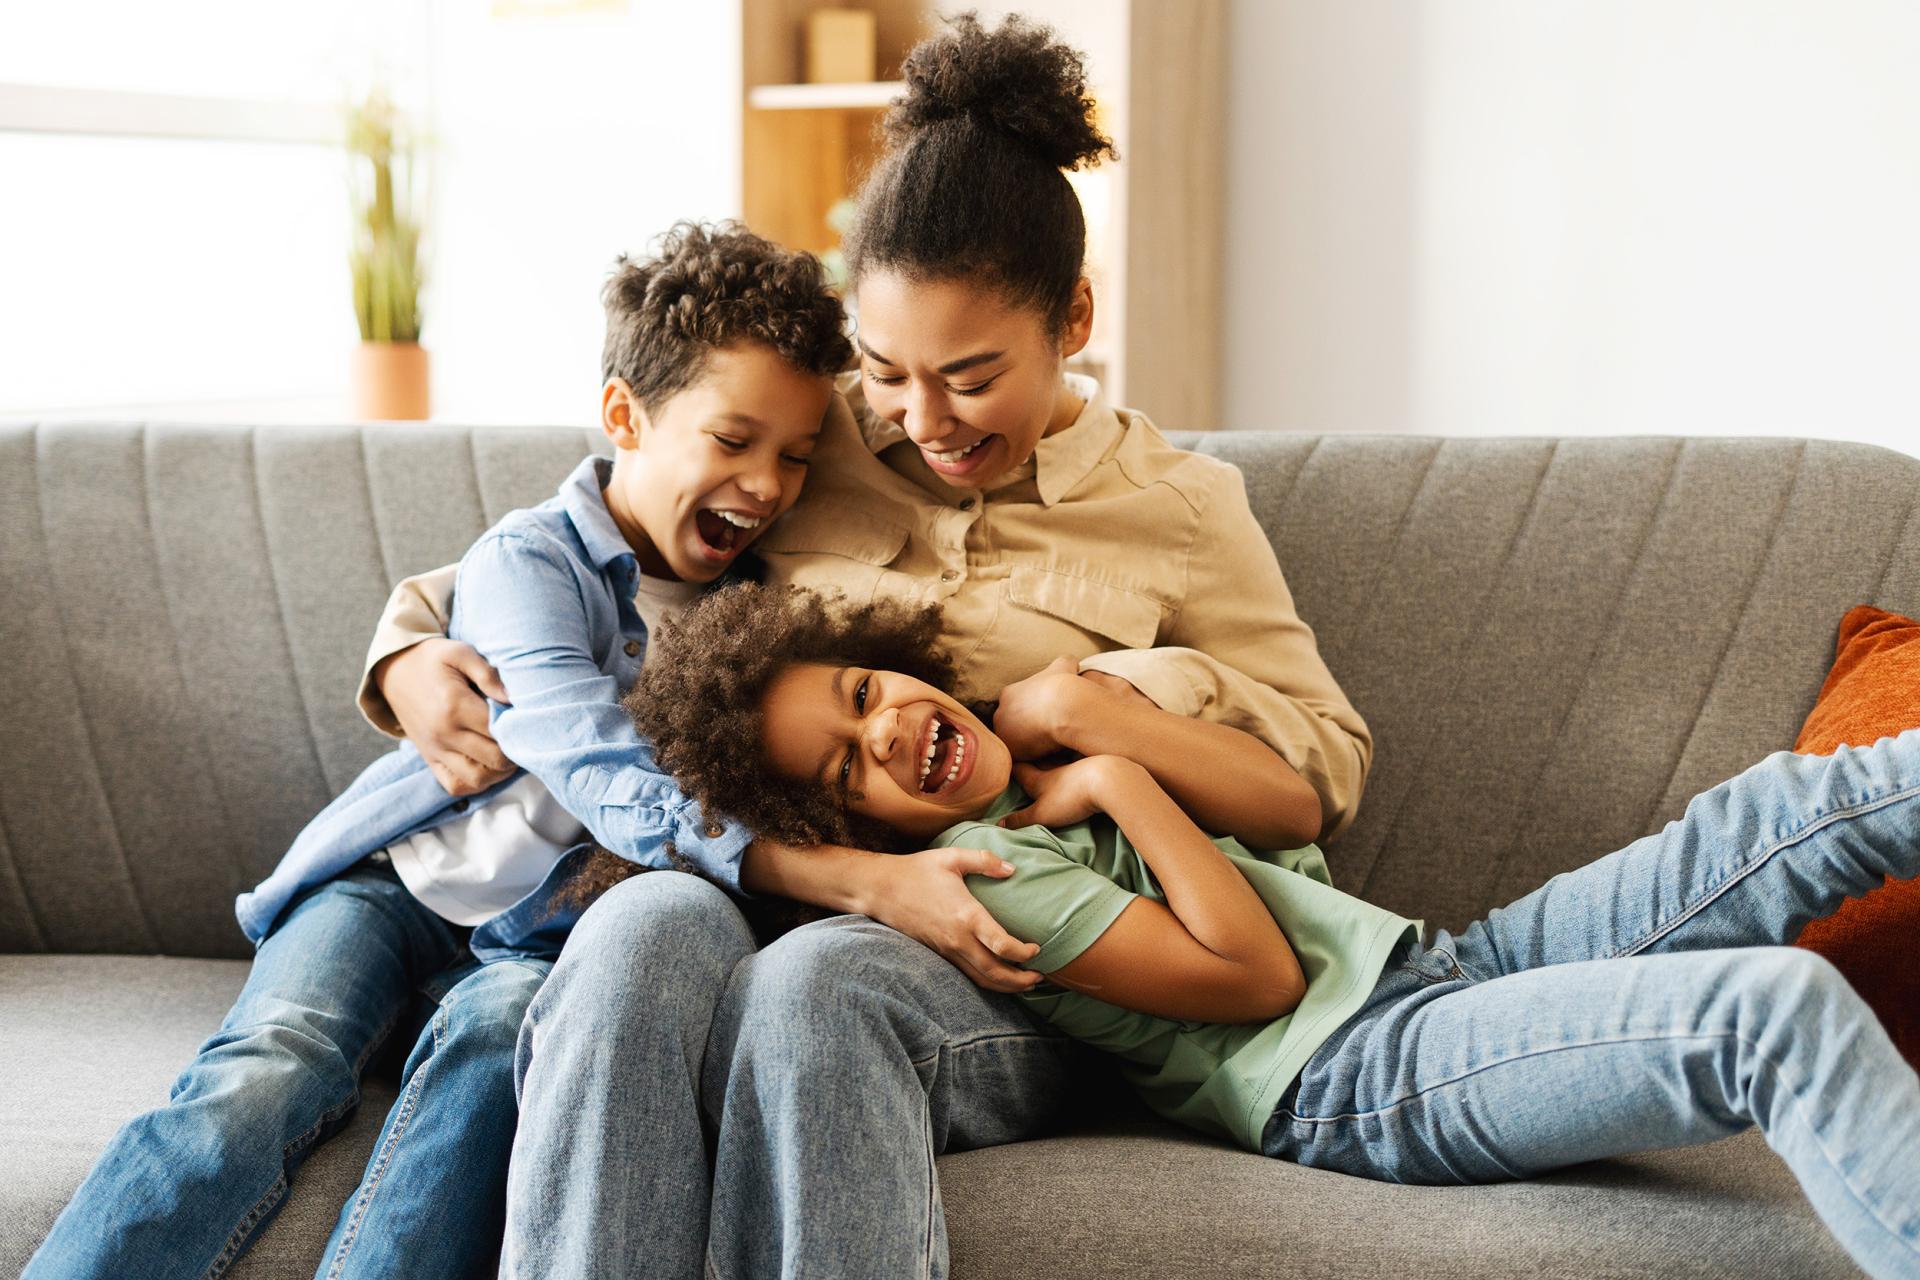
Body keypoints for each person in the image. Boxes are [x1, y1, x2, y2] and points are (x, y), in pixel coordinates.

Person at [362, 15, 1366, 1277]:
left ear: (1076, 317)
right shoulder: (817, 437)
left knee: (818, 986)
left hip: (1016, 949)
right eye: (888, 370)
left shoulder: (1183, 508)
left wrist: (1114, 707)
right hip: (769, 891)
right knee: (640, 926)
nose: (925, 419)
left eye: (971, 375)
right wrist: (408, 642)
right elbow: (596, 540)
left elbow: (1327, 761)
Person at [620, 582, 1920, 1280]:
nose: (890, 730)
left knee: (1789, 812)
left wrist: (1101, 721)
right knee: (1768, 1013)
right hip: (1356, 1075)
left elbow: (1291, 801)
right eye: (854, 767)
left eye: (864, 693)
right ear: (853, 826)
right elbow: (1254, 978)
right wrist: (1123, 791)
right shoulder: (994, 875)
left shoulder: (1040, 751)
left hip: (1446, 963)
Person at [23, 223, 849, 1280]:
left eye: (794, 455)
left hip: (535, 946)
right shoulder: (531, 555)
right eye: (733, 440)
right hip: (389, 887)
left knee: (488, 1061)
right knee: (272, 1067)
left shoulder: (762, 615)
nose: (768, 483)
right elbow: (586, 754)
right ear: (623, 416)